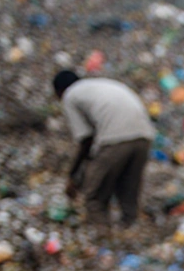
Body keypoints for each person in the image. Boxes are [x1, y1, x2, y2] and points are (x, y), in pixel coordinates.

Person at [53, 70, 155, 230]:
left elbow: (86, 139)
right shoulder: (96, 85)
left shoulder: (70, 95)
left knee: (94, 195)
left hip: (116, 138)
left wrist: (72, 176)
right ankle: (130, 231)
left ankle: (103, 236)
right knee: (128, 189)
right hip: (144, 135)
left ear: (59, 91)